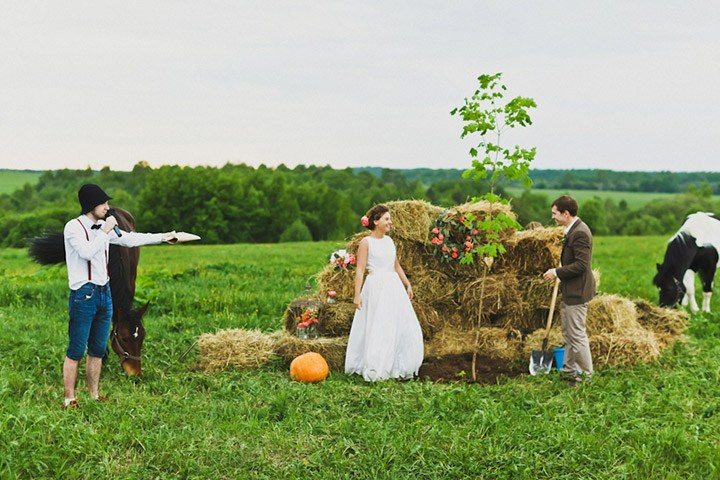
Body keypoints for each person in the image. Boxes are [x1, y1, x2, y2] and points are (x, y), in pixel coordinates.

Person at [62, 184, 176, 409]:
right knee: (76, 350)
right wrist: (104, 233)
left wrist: (164, 237)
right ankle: (69, 398)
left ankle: (94, 395)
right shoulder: (73, 228)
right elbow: (86, 252)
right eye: (103, 204)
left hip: (105, 294)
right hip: (84, 294)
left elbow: (130, 239)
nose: (107, 207)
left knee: (97, 349)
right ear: (91, 206)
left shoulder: (105, 227)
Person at [344, 205, 424, 381]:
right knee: (379, 323)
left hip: (393, 286)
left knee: (398, 323)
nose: (390, 222)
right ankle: (376, 365)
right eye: (387, 219)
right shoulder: (366, 243)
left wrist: (407, 284)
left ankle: (398, 363)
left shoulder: (389, 241)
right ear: (376, 221)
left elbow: (395, 265)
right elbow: (360, 270)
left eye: (390, 219)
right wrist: (357, 295)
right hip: (376, 287)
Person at [543, 195, 595, 385]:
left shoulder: (580, 233)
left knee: (577, 334)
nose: (553, 217)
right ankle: (568, 371)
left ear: (566, 213)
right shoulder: (571, 229)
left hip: (577, 290)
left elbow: (582, 265)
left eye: (555, 213)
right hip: (570, 289)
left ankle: (585, 376)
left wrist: (557, 272)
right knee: (568, 333)